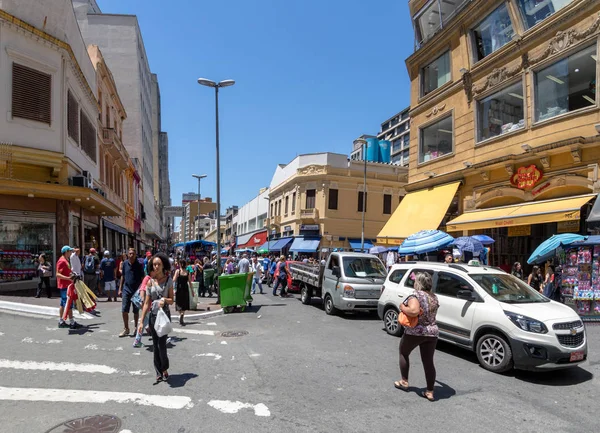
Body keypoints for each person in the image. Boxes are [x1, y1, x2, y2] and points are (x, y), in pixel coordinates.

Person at [394, 272, 439, 402]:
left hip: (416, 331)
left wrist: (402, 307)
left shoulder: (416, 296)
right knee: (428, 361)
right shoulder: (434, 297)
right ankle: (430, 391)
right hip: (432, 332)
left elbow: (413, 311)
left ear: (417, 282)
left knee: (403, 352)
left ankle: (404, 381)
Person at [138, 252, 174, 383]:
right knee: (155, 344)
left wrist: (165, 300)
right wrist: (141, 322)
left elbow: (172, 300)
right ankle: (158, 372)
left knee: (162, 345)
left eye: (159, 264)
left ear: (163, 265)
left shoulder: (168, 280)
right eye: (154, 264)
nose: (156, 266)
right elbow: (146, 303)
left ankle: (164, 368)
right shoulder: (150, 282)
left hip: (163, 315)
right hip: (153, 316)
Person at [119, 248, 144, 337]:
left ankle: (136, 327)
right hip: (126, 290)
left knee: (135, 311)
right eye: (130, 254)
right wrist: (120, 288)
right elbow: (123, 276)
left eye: (133, 254)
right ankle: (126, 328)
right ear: (128, 254)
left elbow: (142, 278)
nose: (131, 255)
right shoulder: (125, 263)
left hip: (136, 291)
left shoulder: (139, 264)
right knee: (124, 310)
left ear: (135, 255)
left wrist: (142, 290)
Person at [56, 245, 82, 329]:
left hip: (67, 284)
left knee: (63, 304)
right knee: (68, 303)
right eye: (70, 251)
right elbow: (57, 274)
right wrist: (68, 278)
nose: (71, 252)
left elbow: (66, 272)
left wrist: (72, 275)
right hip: (65, 285)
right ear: (66, 252)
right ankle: (71, 322)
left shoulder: (65, 260)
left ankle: (61, 321)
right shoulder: (62, 261)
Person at [133, 261, 154, 348]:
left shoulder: (152, 278)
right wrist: (142, 300)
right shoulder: (147, 278)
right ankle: (160, 338)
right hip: (147, 305)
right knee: (155, 322)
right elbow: (142, 289)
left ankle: (137, 340)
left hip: (148, 305)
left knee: (145, 322)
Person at [173, 259, 191, 326]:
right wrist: (192, 291)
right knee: (184, 303)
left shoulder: (178, 271)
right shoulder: (188, 272)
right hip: (185, 289)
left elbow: (174, 279)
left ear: (180, 264)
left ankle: (180, 313)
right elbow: (190, 282)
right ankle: (182, 314)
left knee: (178, 303)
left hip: (179, 288)